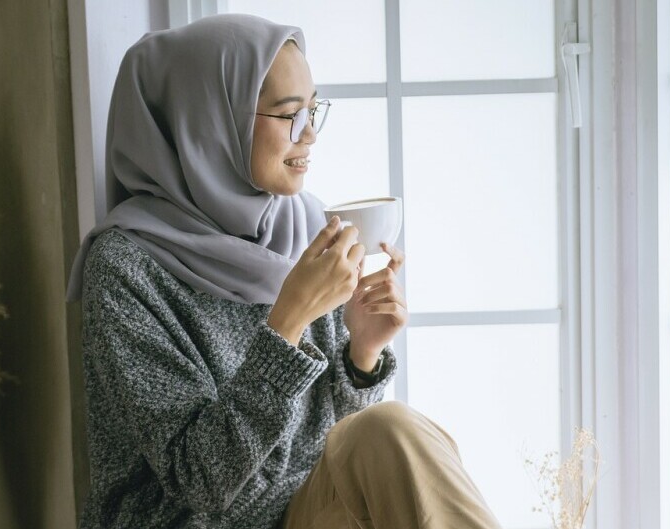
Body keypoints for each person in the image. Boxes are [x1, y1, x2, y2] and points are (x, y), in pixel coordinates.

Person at [66, 14, 502, 529]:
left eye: (314, 110)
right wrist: (289, 318)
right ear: (208, 122)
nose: (311, 135)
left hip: (294, 514)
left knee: (390, 429)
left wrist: (360, 354)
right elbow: (201, 482)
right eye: (290, 114)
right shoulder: (124, 269)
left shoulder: (298, 227)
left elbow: (333, 444)